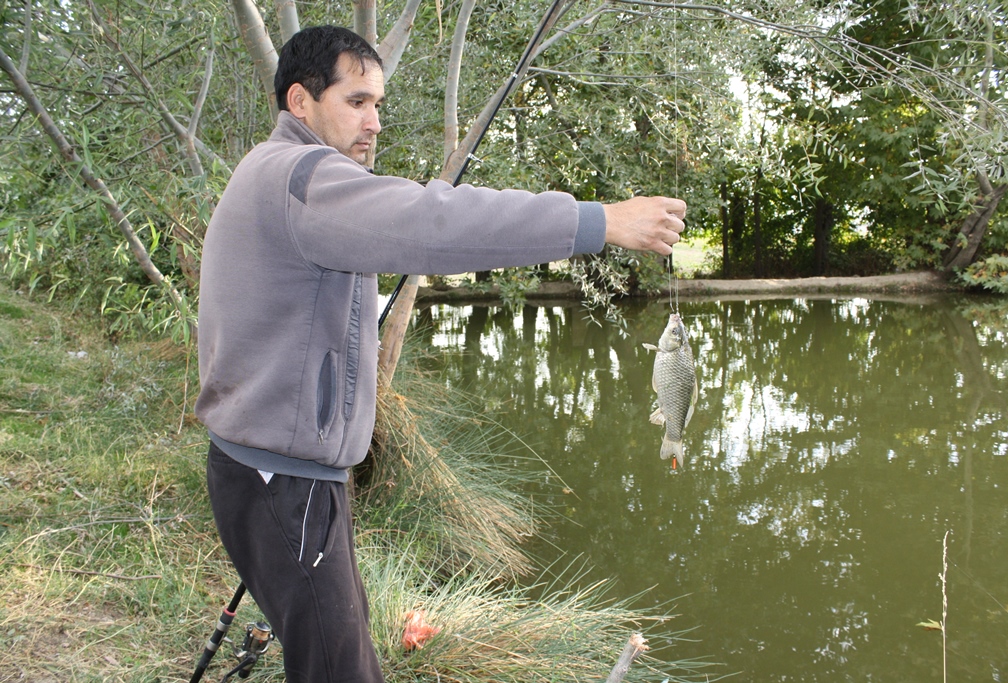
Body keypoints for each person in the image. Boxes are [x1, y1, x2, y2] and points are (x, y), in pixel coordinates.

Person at [195, 24, 686, 683]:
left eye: (379, 106)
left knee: (341, 647)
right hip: (283, 482)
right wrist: (600, 220)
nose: (373, 122)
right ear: (301, 102)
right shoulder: (306, 179)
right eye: (357, 102)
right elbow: (436, 222)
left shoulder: (272, 171)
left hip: (272, 474)